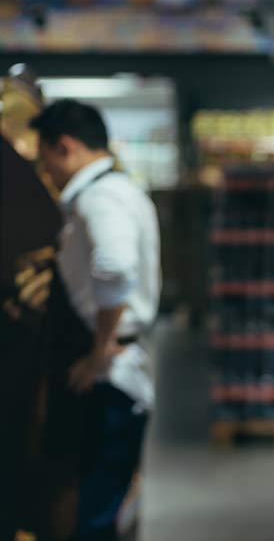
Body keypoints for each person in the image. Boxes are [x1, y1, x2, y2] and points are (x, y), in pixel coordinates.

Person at [30, 99, 161, 541]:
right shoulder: (119, 188)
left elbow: (115, 266)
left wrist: (99, 349)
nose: (45, 171)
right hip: (117, 365)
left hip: (108, 375)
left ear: (64, 147)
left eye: (44, 159)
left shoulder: (99, 196)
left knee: (94, 512)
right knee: (101, 504)